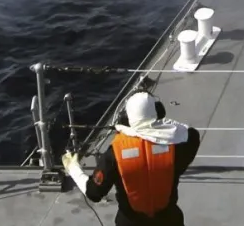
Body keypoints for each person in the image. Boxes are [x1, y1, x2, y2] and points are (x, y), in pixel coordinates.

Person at [62, 91, 201, 226]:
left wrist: (73, 168)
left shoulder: (115, 153)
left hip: (130, 221)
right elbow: (190, 132)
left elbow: (94, 193)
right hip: (169, 220)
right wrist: (160, 123)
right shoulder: (180, 144)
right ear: (158, 112)